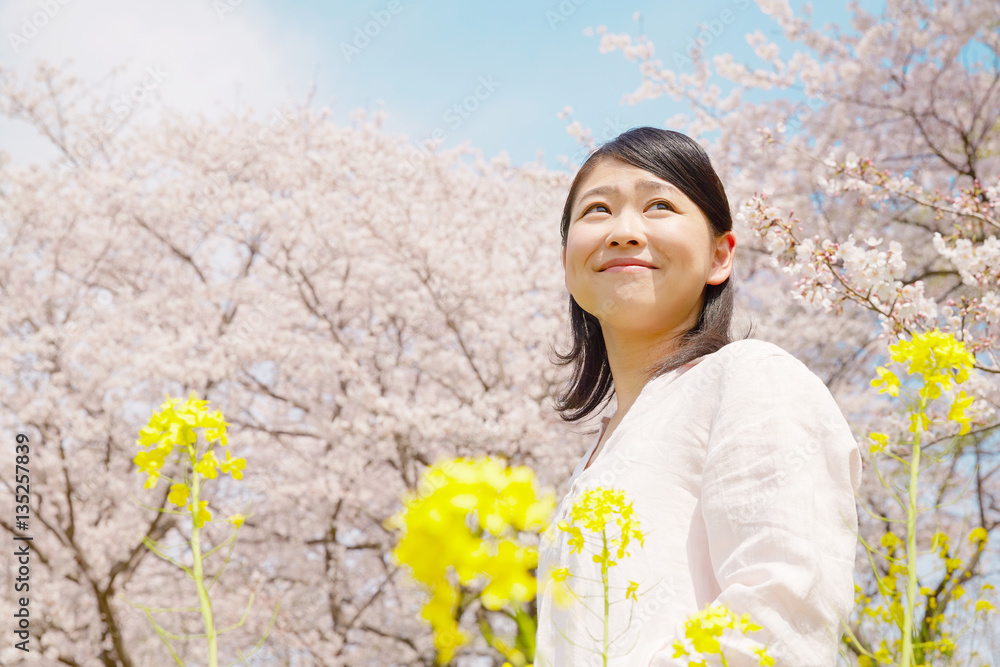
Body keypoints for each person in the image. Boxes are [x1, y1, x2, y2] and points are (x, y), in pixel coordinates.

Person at [534, 127, 863, 666]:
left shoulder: (751, 379)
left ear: (719, 257)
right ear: (569, 259)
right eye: (596, 210)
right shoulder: (596, 457)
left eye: (659, 204)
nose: (623, 231)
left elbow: (779, 616)